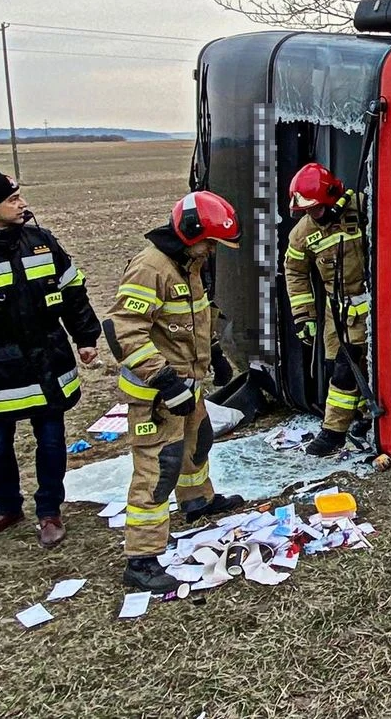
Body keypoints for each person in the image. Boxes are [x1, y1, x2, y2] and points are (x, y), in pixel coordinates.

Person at [103, 191, 246, 591]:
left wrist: (213, 354)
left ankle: (196, 502)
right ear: (189, 232)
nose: (213, 251)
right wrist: (165, 381)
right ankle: (141, 558)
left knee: (196, 445)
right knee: (158, 468)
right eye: (211, 242)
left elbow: (191, 319)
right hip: (156, 393)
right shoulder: (152, 268)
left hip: (188, 383)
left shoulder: (190, 264)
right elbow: (124, 330)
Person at [0, 169, 100, 547]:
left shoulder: (41, 242)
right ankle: (7, 508)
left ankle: (49, 511)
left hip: (47, 364)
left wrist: (86, 337)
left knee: (51, 442)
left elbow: (73, 290)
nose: (22, 205)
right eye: (11, 199)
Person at [283, 163, 371, 457]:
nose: (312, 215)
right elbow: (294, 272)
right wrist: (304, 316)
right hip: (337, 312)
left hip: (370, 305)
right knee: (335, 366)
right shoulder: (302, 233)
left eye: (317, 209)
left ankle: (333, 433)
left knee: (348, 372)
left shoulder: (362, 208)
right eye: (307, 210)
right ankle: (364, 418)